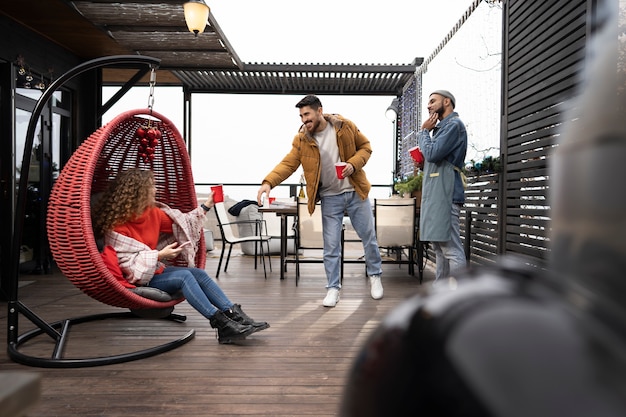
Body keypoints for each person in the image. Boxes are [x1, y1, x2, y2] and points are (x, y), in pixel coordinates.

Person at [91, 168, 269, 344]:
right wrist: (160, 254)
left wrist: (208, 204)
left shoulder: (154, 213)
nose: (156, 189)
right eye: (151, 186)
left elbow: (185, 223)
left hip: (154, 271)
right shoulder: (117, 224)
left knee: (198, 274)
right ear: (139, 191)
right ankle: (222, 325)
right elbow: (125, 263)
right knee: (184, 276)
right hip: (137, 277)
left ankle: (235, 316)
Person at [256, 94, 383, 307]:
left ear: (319, 111)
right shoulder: (302, 139)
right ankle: (333, 288)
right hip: (330, 197)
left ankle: (375, 275)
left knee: (368, 236)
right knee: (331, 245)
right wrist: (268, 182)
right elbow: (288, 164)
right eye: (301, 116)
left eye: (307, 114)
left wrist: (352, 164)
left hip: (355, 191)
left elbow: (366, 148)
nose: (304, 119)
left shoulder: (345, 127)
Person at [418, 90, 468, 285]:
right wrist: (423, 164)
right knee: (440, 249)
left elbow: (432, 153)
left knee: (451, 249)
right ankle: (441, 293)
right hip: (438, 193)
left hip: (446, 195)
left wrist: (424, 131)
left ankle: (462, 295)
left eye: (432, 101)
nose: (429, 106)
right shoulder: (442, 129)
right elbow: (434, 157)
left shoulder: (453, 125)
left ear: (446, 102)